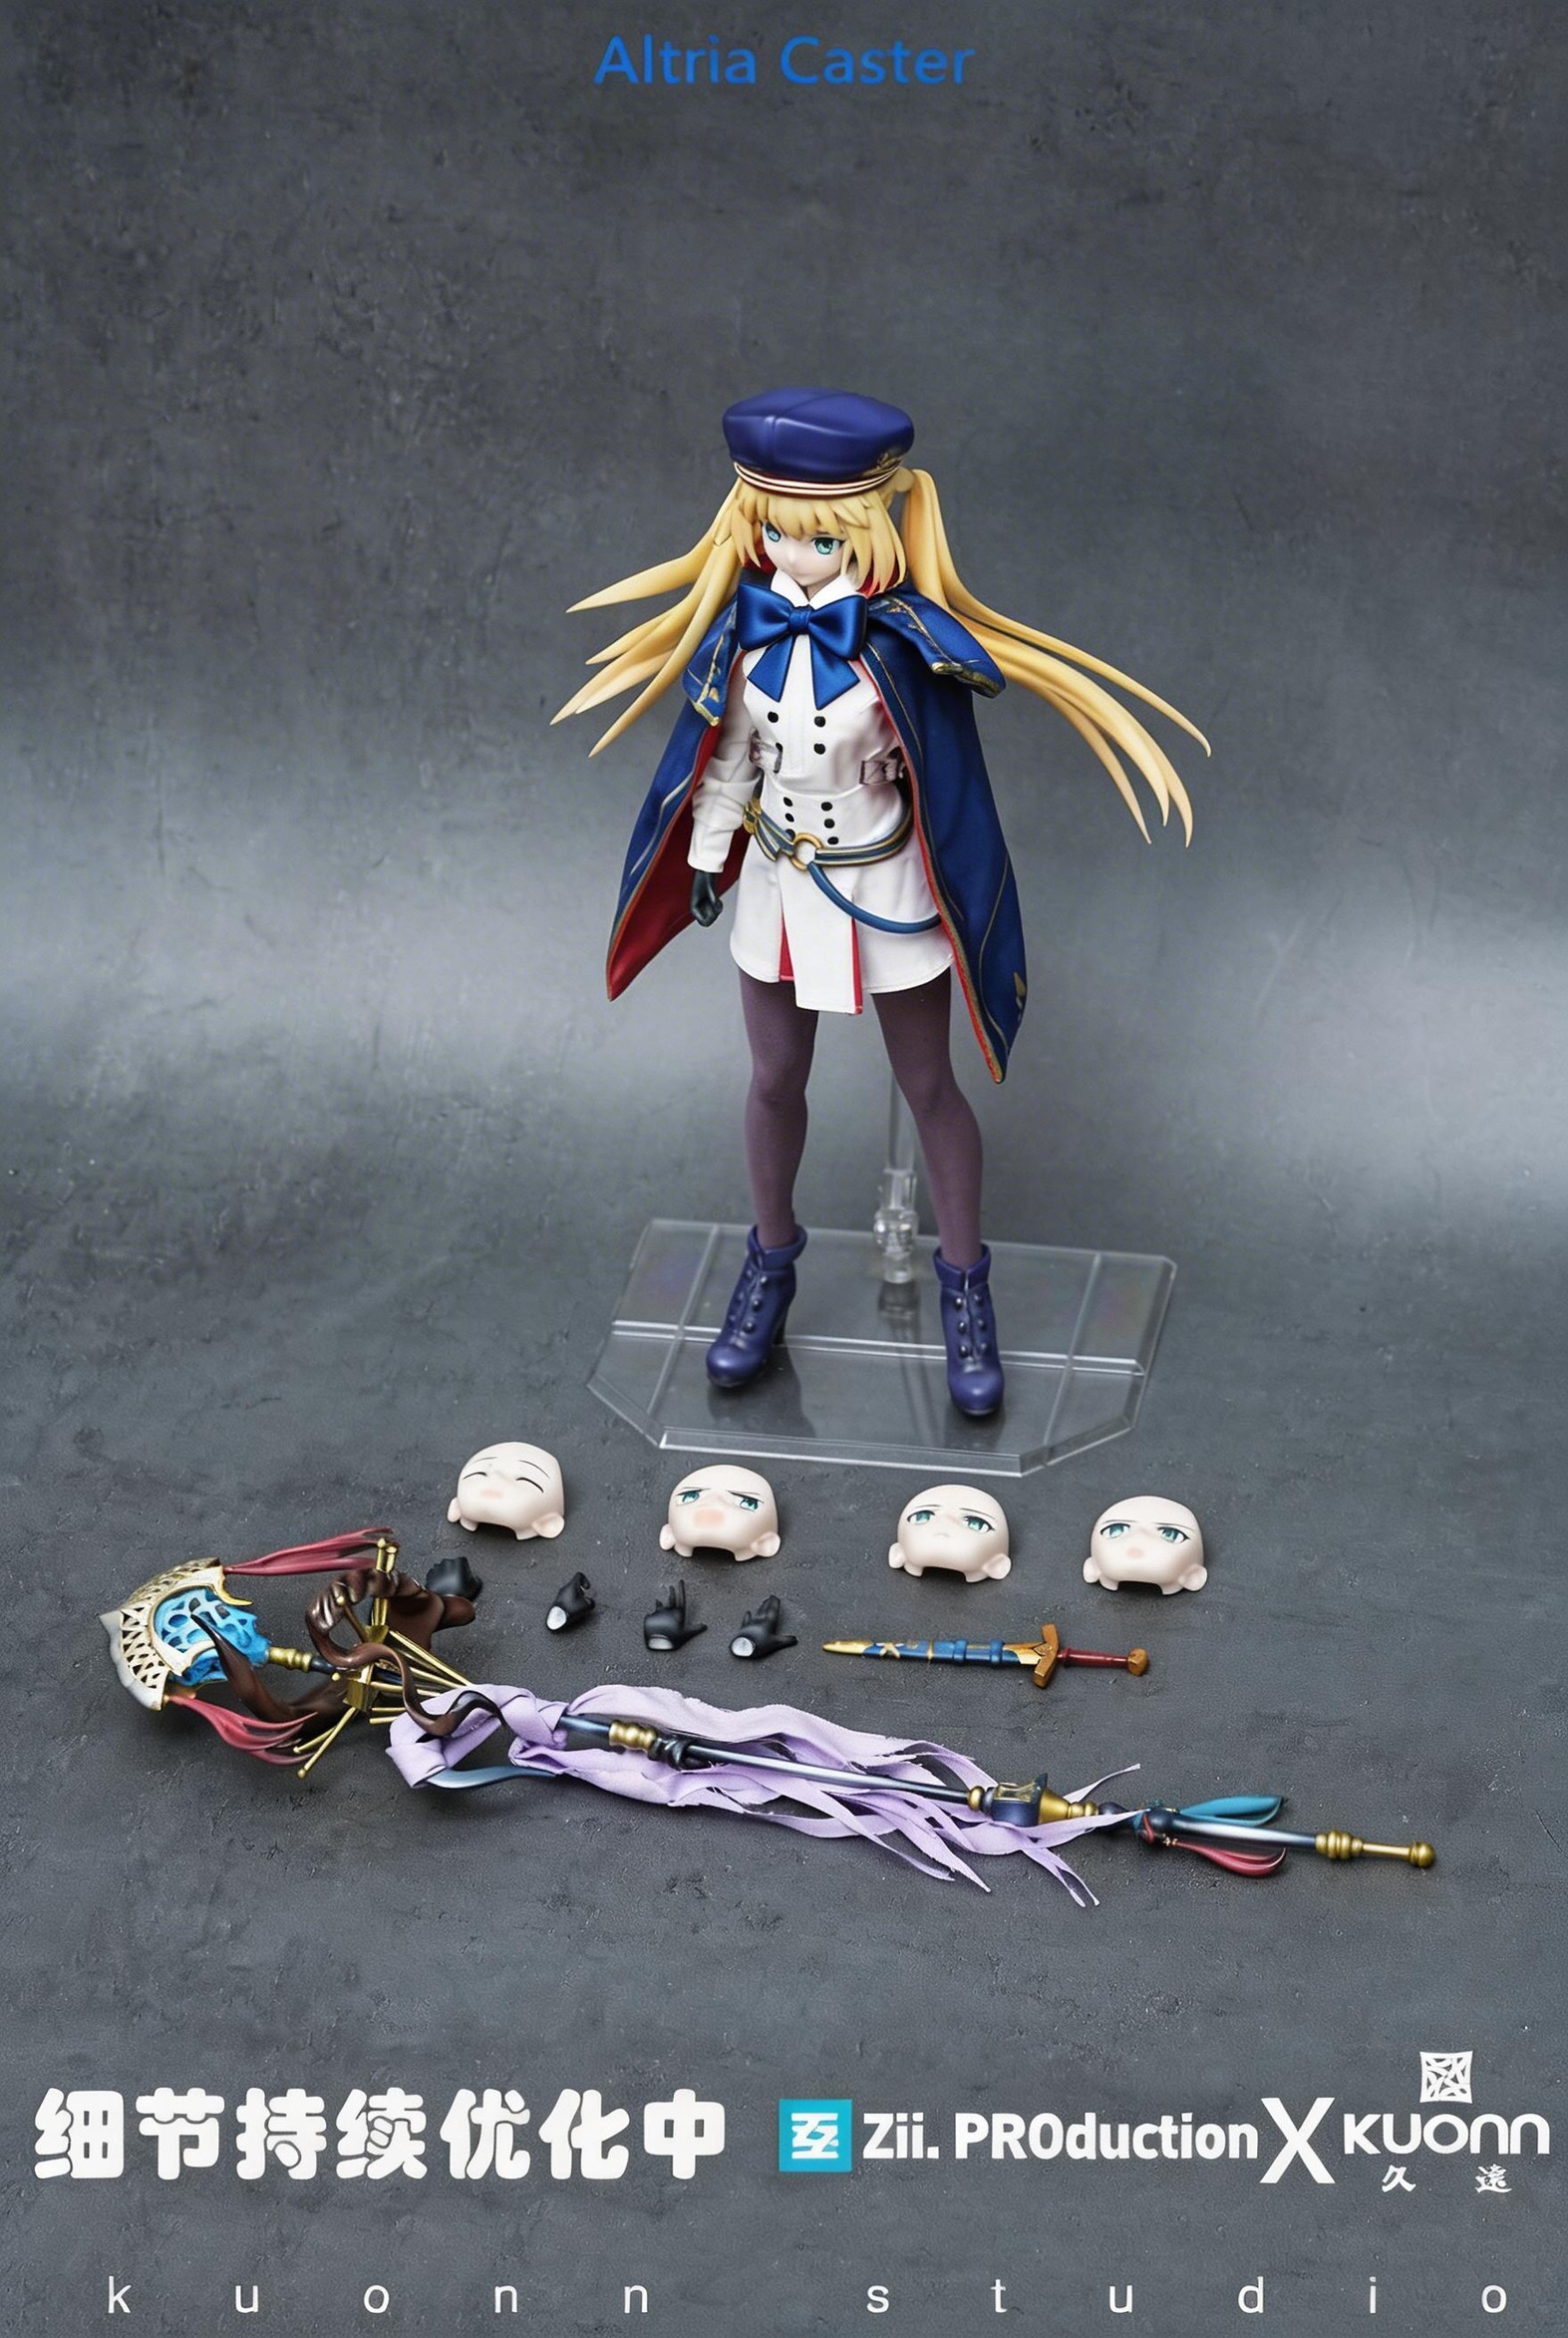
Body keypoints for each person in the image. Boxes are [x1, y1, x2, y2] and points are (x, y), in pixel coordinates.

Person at [556, 389, 1201, 1415]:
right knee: (774, 1078)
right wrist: (708, 854)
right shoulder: (744, 632)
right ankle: (769, 1263)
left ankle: (964, 1285)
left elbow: (947, 778)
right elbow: (725, 756)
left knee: (928, 1084)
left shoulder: (899, 642)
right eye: (774, 529)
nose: (791, 551)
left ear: (864, 530)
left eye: (816, 536)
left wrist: (913, 776)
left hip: (883, 882)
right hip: (780, 881)